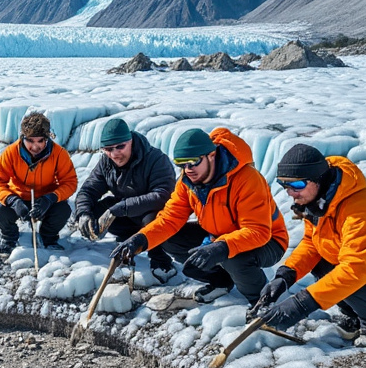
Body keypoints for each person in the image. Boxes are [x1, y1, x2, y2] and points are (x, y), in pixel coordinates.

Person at [253, 144, 366, 346]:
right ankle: (355, 312)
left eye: (296, 186)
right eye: (284, 185)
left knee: (358, 278)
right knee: (323, 261)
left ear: (318, 179)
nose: (290, 193)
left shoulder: (363, 209)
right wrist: (285, 276)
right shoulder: (317, 202)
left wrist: (301, 304)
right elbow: (312, 244)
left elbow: (357, 269)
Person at [112, 127, 288, 304]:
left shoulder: (247, 179)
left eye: (193, 162)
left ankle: (262, 301)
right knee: (170, 238)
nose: (187, 169)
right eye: (181, 164)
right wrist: (140, 239)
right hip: (218, 237)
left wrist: (221, 247)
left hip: (269, 241)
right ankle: (221, 281)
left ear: (211, 155)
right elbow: (169, 219)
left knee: (234, 257)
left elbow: (258, 231)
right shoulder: (187, 182)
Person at [73, 118, 182, 281]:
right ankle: (126, 239)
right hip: (126, 215)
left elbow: (163, 195)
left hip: (153, 218)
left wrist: (123, 207)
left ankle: (161, 261)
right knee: (96, 209)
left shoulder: (156, 159)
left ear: (130, 141)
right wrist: (83, 213)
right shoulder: (106, 163)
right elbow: (88, 189)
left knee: (153, 217)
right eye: (108, 149)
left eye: (120, 147)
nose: (115, 153)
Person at [0, 112, 79, 256]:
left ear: (47, 139)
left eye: (40, 141)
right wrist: (12, 200)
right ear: (23, 137)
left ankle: (49, 237)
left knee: (63, 210)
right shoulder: (11, 152)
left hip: (46, 198)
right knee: (0, 210)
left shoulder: (59, 154)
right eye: (30, 140)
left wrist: (51, 198)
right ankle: (9, 238)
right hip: (18, 197)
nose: (35, 146)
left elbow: (69, 182)